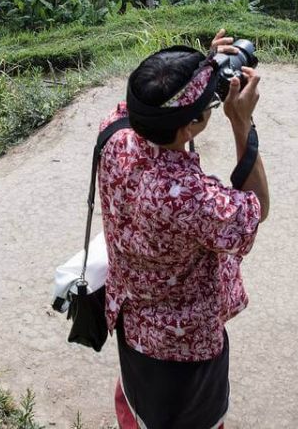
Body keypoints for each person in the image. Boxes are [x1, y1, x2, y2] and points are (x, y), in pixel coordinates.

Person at [98, 29, 269, 429]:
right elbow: (255, 208)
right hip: (185, 345)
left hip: (130, 320)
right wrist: (241, 122)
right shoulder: (192, 198)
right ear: (187, 127)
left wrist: (199, 71)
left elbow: (153, 100)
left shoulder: (114, 134)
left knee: (138, 403)